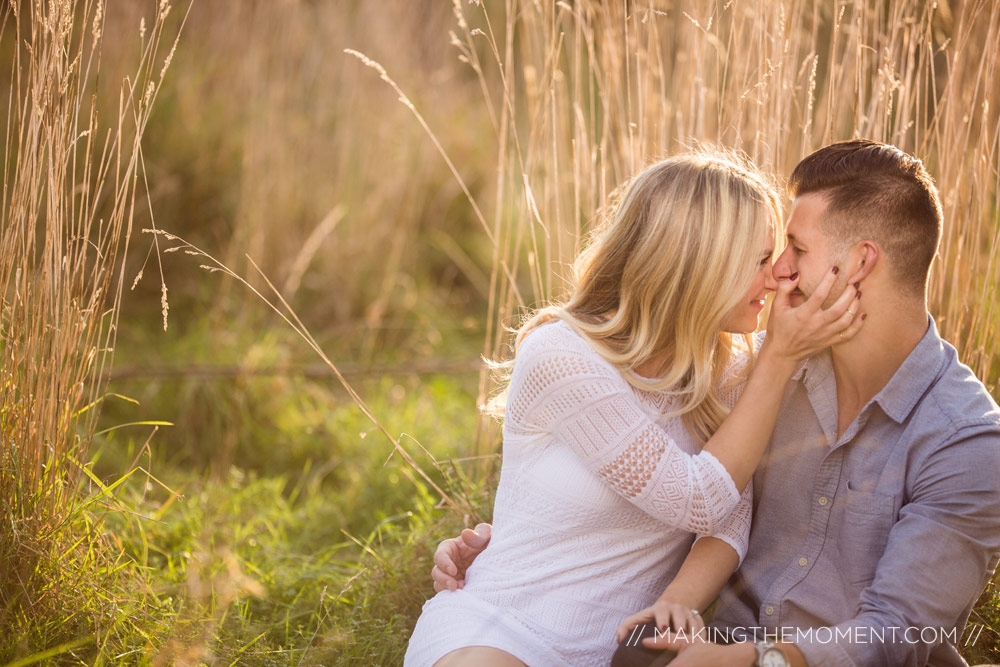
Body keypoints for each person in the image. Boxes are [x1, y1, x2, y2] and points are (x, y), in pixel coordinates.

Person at [432, 140, 1000, 667]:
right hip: (658, 646)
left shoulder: (965, 442)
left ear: (859, 265)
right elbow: (699, 493)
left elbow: (899, 632)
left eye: (794, 249)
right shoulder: (764, 369)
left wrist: (755, 661)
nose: (778, 273)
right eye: (767, 256)